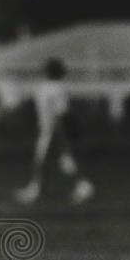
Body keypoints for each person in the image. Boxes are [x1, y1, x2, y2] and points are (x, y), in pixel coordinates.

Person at [15, 58, 94, 204]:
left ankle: (35, 190)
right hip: (48, 130)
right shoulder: (52, 87)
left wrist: (61, 137)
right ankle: (82, 185)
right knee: (59, 161)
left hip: (52, 131)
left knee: (45, 161)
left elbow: (60, 114)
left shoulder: (55, 89)